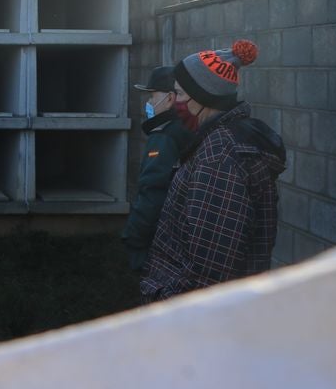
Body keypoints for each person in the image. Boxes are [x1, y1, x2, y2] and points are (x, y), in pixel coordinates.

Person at [140, 39, 286, 303]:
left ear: (203, 99)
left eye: (181, 95)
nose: (176, 104)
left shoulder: (219, 158)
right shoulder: (218, 142)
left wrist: (164, 305)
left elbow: (209, 275)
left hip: (188, 321)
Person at [121, 66, 194, 273]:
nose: (150, 103)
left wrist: (134, 236)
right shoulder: (187, 127)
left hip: (160, 239)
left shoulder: (165, 136)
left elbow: (153, 190)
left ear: (170, 98)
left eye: (153, 96)